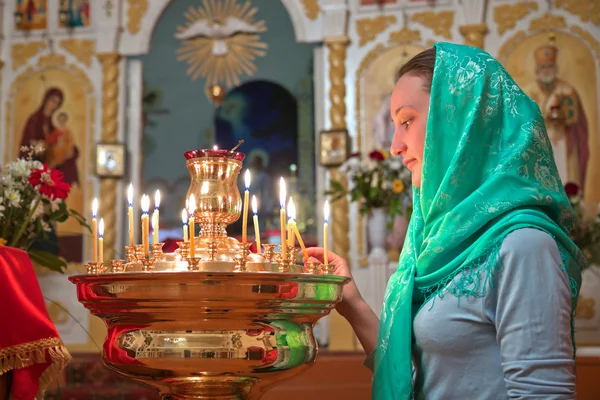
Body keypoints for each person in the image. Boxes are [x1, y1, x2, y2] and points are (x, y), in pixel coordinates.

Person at [306, 42, 584, 399]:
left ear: (459, 121)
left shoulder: (523, 245)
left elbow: (542, 394)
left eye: (406, 121)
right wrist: (353, 304)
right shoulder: (434, 239)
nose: (394, 146)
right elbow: (419, 380)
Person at [522, 43, 589, 191]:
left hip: (564, 144)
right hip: (538, 144)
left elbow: (577, 121)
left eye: (549, 66)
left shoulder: (567, 90)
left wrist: (564, 118)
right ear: (537, 69)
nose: (547, 71)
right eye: (543, 67)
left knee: (563, 177)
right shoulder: (527, 91)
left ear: (556, 68)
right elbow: (521, 121)